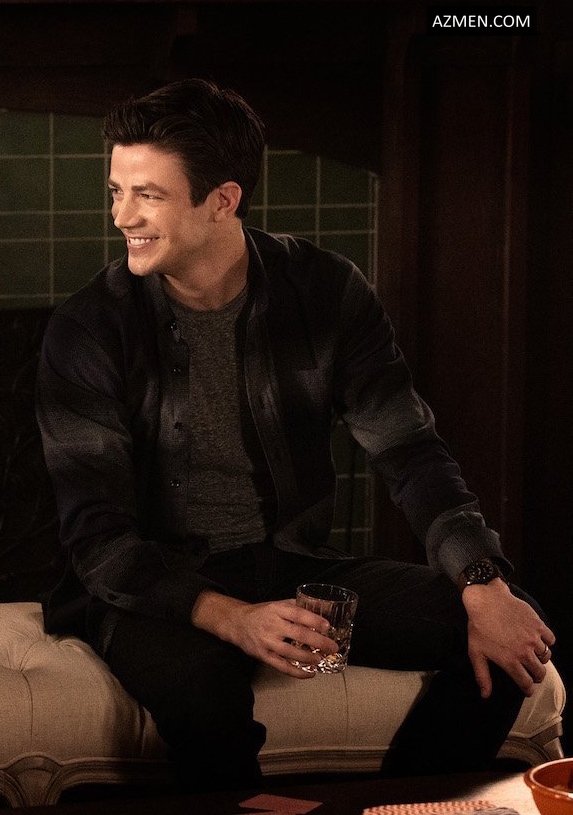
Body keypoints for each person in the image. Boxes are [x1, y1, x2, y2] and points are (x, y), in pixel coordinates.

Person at [36, 78, 555, 792]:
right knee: (202, 696)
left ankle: (409, 807)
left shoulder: (324, 290)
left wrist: (481, 578)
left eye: (146, 195)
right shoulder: (88, 328)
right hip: (151, 588)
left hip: (287, 563)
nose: (121, 216)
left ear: (222, 199)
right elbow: (97, 539)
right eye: (116, 192)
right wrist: (233, 620)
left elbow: (408, 451)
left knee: (512, 628)